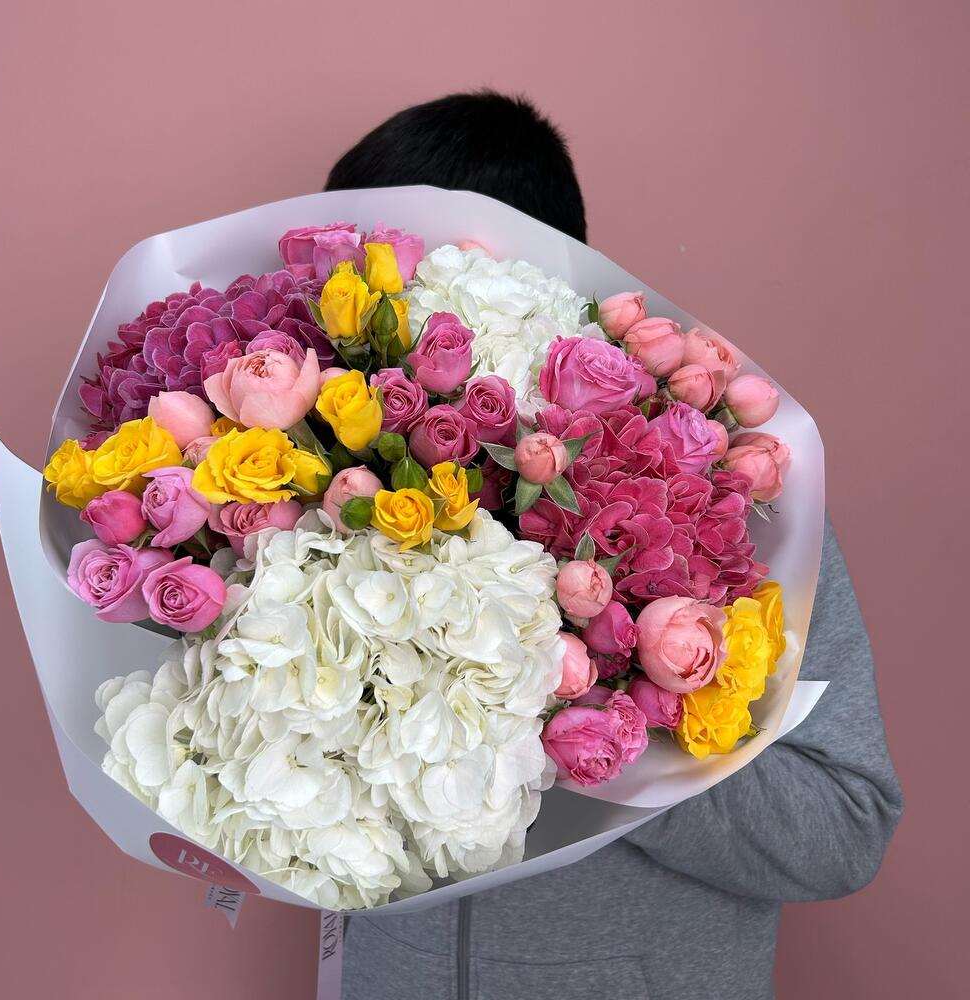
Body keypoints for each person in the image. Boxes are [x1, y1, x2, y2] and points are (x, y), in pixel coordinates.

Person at [328, 91, 903, 1000]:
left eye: (393, 284)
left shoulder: (732, 504)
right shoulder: (343, 483)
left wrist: (605, 736)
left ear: (520, 276)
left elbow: (846, 825)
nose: (365, 320)